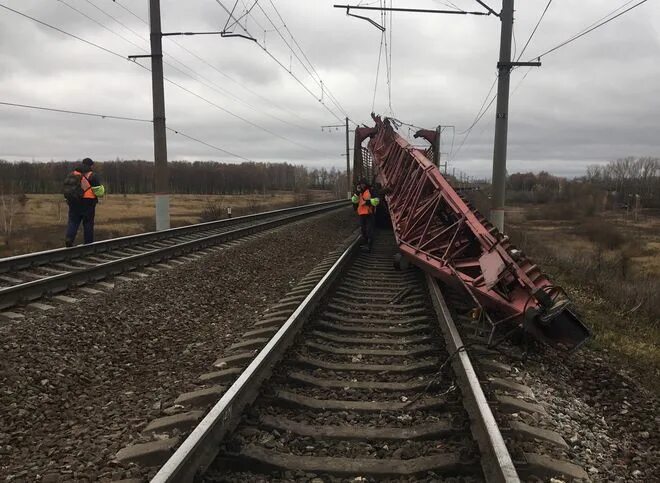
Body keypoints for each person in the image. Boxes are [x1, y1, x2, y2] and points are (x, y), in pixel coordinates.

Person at [63, 157, 105, 247]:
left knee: (73, 221)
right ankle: (88, 245)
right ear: (90, 165)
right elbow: (99, 192)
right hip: (88, 202)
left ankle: (69, 239)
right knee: (88, 223)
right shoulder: (91, 175)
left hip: (73, 201)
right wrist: (102, 189)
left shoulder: (73, 174)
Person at [351, 178, 379, 251]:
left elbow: (377, 201)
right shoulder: (358, 192)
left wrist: (367, 202)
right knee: (363, 230)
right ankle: (365, 243)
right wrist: (357, 192)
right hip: (361, 214)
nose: (362, 186)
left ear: (366, 184)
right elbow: (354, 200)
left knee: (369, 231)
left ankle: (369, 246)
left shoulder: (370, 190)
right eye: (361, 184)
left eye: (363, 184)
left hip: (369, 214)